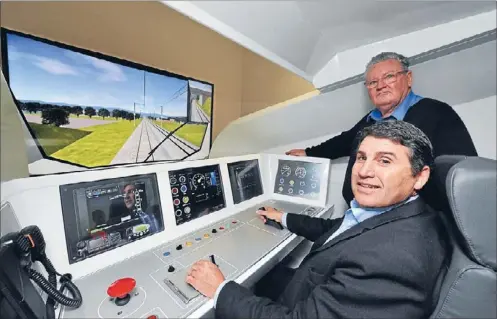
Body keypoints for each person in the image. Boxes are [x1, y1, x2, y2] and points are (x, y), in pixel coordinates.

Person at [185, 120, 449, 318]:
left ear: (421, 176)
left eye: (385, 161)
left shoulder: (394, 260)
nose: (365, 171)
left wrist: (220, 290)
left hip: (303, 305)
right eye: (361, 158)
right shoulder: (404, 214)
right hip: (313, 287)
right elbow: (339, 231)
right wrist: (285, 217)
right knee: (266, 276)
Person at [286, 51, 477, 211]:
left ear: (408, 78)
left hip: (411, 222)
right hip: (365, 216)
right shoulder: (371, 119)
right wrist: (308, 152)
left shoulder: (435, 112)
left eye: (389, 77)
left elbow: (460, 172)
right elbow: (343, 141)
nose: (380, 85)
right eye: (372, 82)